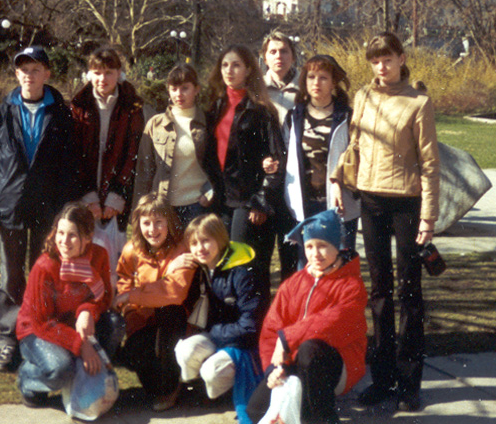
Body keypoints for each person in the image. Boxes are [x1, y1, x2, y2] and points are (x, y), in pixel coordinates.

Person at [336, 32, 439, 413]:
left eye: (388, 59)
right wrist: (339, 180)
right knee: (379, 292)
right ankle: (381, 378)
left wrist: (428, 217)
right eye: (376, 60)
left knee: (409, 292)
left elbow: (430, 164)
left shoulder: (419, 103)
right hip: (371, 200)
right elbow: (354, 147)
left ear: (401, 58)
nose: (382, 66)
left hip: (407, 203)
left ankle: (410, 382)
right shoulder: (362, 98)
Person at [0, 45, 76, 373]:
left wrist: (66, 211)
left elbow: (69, 167)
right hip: (11, 207)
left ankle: (38, 332)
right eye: (23, 70)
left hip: (48, 209)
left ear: (47, 74)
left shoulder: (60, 113)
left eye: (35, 70)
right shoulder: (2, 114)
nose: (28, 76)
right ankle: (8, 339)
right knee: (11, 277)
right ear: (16, 74)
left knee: (43, 275)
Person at [248, 209, 367, 424]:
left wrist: (286, 339)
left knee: (309, 350)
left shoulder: (351, 284)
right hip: (295, 361)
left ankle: (323, 421)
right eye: (310, 246)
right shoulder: (294, 283)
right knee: (255, 412)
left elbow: (332, 322)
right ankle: (301, 408)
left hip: (336, 364)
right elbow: (271, 329)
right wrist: (273, 370)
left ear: (337, 246)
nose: (315, 254)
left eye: (323, 246)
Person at [15, 202, 117, 419]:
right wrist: (82, 347)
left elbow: (105, 295)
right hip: (38, 331)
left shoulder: (98, 256)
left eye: (72, 235)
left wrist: (87, 310)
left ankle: (90, 380)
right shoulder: (46, 266)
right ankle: (27, 377)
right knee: (60, 369)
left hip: (75, 324)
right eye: (60, 233)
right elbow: (42, 323)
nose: (63, 241)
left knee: (116, 324)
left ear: (88, 237)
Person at [203, 45, 286, 291]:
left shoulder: (261, 110)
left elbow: (277, 161)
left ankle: (255, 326)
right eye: (225, 65)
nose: (229, 70)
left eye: (236, 65)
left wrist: (261, 201)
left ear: (249, 69)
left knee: (245, 268)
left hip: (247, 202)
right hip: (219, 200)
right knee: (220, 265)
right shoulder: (214, 106)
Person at [173, 213, 267, 424]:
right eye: (194, 243)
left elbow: (250, 326)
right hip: (221, 333)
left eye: (206, 240)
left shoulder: (243, 271)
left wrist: (215, 334)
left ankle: (224, 391)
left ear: (220, 239)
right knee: (185, 351)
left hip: (246, 344)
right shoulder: (202, 267)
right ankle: (204, 391)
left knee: (211, 372)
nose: (200, 248)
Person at [112, 193, 196, 410]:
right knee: (138, 350)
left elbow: (175, 292)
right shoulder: (132, 250)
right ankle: (158, 386)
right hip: (143, 316)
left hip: (177, 319)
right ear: (138, 224)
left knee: (169, 315)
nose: (153, 229)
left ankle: (170, 388)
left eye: (159, 222)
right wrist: (131, 312)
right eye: (146, 223)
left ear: (169, 222)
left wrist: (133, 295)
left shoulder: (181, 249)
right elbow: (124, 282)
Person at [279, 55, 359, 282]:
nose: (316, 82)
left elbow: (356, 157)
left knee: (339, 267)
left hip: (338, 205)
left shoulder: (347, 116)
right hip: (305, 204)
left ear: (334, 82)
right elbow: (286, 156)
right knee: (307, 267)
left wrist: (341, 185)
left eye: (323, 78)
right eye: (311, 77)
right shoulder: (295, 116)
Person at [70, 45, 146, 231]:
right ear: (89, 74)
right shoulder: (79, 107)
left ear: (119, 73)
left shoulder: (131, 108)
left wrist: (117, 196)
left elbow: (132, 155)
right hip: (84, 199)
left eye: (108, 73)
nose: (102, 79)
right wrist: (88, 197)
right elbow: (74, 155)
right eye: (97, 73)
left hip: (115, 202)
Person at [135, 63, 213, 228]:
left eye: (185, 88)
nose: (179, 94)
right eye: (174, 89)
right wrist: (139, 211)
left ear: (196, 89)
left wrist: (211, 191)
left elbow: (218, 165)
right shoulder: (155, 124)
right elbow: (144, 171)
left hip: (197, 205)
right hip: (163, 206)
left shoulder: (208, 122)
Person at [261, 31, 300, 123]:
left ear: (293, 57)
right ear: (265, 59)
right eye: (273, 52)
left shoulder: (306, 87)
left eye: (284, 51)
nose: (278, 56)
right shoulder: (258, 88)